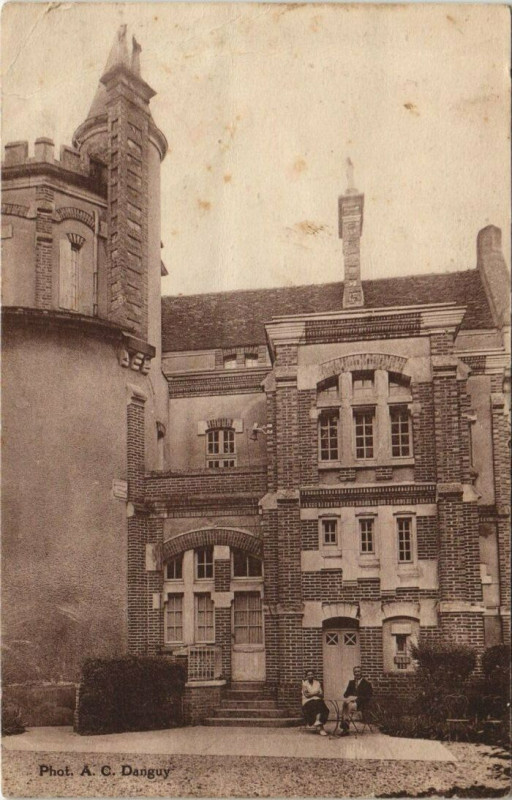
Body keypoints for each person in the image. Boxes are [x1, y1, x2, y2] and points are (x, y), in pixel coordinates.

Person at [340, 666, 373, 735]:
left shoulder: (366, 684)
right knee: (345, 704)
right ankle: (345, 727)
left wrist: (356, 698)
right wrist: (350, 696)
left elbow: (368, 697)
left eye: (358, 671)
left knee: (347, 705)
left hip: (361, 704)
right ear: (353, 673)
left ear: (361, 672)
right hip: (351, 702)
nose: (357, 673)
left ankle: (345, 728)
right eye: (355, 672)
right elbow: (345, 695)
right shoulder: (351, 683)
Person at [301, 670, 330, 736]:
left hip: (318, 701)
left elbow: (322, 695)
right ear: (306, 676)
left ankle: (318, 721)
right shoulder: (304, 684)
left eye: (311, 674)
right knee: (318, 706)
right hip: (307, 702)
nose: (310, 676)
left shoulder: (317, 683)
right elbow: (307, 695)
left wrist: (312, 693)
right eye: (308, 675)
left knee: (325, 709)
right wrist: (316, 693)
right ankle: (321, 729)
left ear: (314, 675)